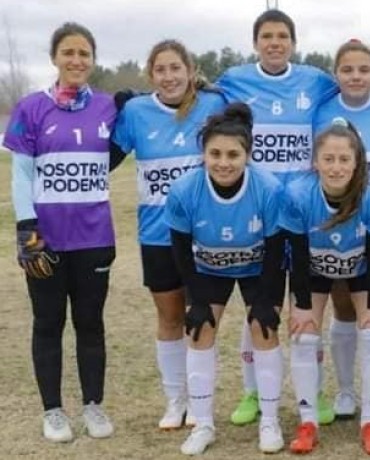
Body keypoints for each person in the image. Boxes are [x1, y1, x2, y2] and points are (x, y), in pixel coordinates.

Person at [216, 8, 338, 427]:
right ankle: (253, 391)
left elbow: (353, 86)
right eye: (266, 36)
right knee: (259, 306)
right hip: (257, 213)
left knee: (308, 308)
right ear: (255, 43)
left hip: (304, 214)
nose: (274, 43)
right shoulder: (234, 79)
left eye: (282, 36)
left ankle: (314, 391)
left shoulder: (315, 80)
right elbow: (202, 95)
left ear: (293, 42)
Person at [4, 22, 117, 443]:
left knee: (91, 324)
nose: (76, 60)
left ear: (93, 59)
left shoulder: (108, 107)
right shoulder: (31, 108)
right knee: (48, 323)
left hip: (95, 239)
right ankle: (52, 411)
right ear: (54, 57)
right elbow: (21, 176)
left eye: (84, 53)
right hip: (46, 240)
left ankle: (93, 405)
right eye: (68, 52)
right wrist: (27, 231)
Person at [111, 39, 227, 430]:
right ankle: (175, 400)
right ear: (150, 75)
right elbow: (105, 157)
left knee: (201, 319)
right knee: (169, 318)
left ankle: (200, 400)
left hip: (203, 235)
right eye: (160, 69)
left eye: (176, 68)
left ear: (191, 71)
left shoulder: (214, 104)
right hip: (157, 235)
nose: (169, 76)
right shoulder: (136, 112)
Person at [166, 103, 286, 455]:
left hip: (259, 267)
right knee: (200, 330)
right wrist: (197, 299)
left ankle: (270, 421)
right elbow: (180, 249)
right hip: (208, 268)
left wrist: (264, 300)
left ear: (248, 155)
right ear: (203, 154)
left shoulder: (268, 188)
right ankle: (203, 424)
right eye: (215, 154)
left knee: (264, 329)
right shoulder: (184, 190)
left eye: (233, 154)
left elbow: (276, 250)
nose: (223, 162)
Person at [282, 119, 370, 455]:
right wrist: (302, 306)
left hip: (361, 269)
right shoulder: (298, 194)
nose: (336, 167)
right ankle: (308, 422)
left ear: (357, 162)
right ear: (315, 162)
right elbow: (297, 254)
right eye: (328, 159)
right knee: (304, 334)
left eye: (344, 159)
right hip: (313, 270)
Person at [312, 39, 370, 421]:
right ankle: (346, 390)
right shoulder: (322, 110)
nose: (356, 76)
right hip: (334, 221)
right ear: (336, 74)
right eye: (347, 69)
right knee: (343, 306)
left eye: (364, 69)